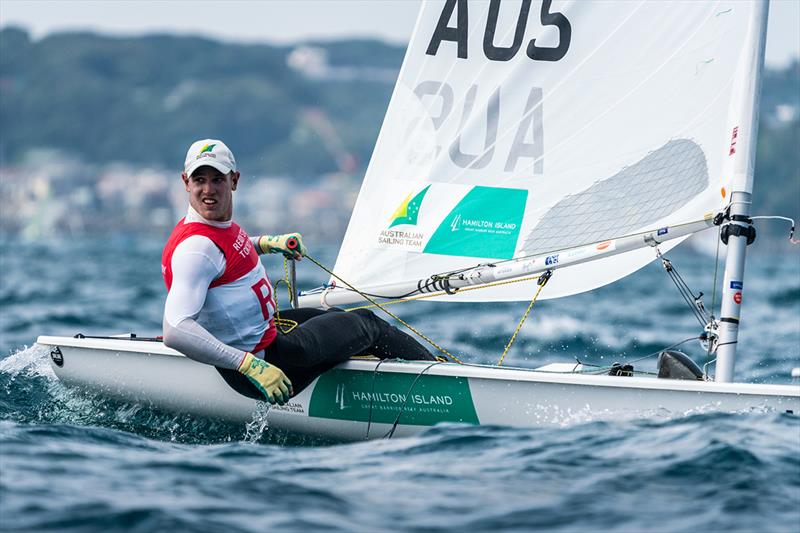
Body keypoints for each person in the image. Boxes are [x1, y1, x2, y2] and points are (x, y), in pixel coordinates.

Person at [162, 139, 435, 406]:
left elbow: (227, 257)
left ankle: (387, 380)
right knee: (368, 324)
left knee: (338, 320)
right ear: (186, 182)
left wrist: (268, 243)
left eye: (217, 179)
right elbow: (175, 330)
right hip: (268, 364)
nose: (208, 190)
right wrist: (249, 366)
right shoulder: (196, 250)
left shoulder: (207, 228)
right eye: (199, 180)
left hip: (264, 336)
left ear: (234, 180)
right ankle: (442, 379)